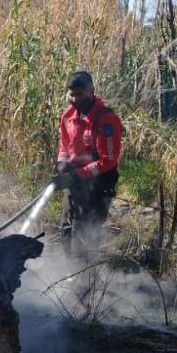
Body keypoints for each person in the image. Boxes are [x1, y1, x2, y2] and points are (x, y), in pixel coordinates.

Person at [53, 71, 123, 257]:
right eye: (72, 94)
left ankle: (87, 280)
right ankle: (68, 274)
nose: (75, 99)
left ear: (91, 92)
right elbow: (64, 146)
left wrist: (79, 174)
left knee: (85, 235)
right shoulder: (67, 117)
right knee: (67, 229)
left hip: (98, 185)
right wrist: (62, 166)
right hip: (76, 183)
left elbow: (108, 161)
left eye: (80, 94)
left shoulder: (106, 120)